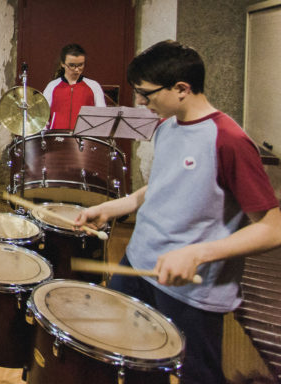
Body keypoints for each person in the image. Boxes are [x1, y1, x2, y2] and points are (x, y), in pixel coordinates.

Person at [74, 40, 281, 383]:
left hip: (190, 290)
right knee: (132, 364)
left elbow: (273, 227)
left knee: (196, 375)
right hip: (138, 265)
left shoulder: (228, 139)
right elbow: (161, 187)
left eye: (146, 93)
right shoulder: (167, 127)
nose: (140, 101)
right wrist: (113, 207)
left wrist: (199, 253)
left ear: (181, 89)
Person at [42, 43, 105, 130]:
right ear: (62, 64)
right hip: (57, 138)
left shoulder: (94, 86)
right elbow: (42, 118)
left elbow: (102, 116)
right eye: (72, 65)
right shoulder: (52, 86)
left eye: (80, 65)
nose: (76, 69)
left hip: (85, 139)